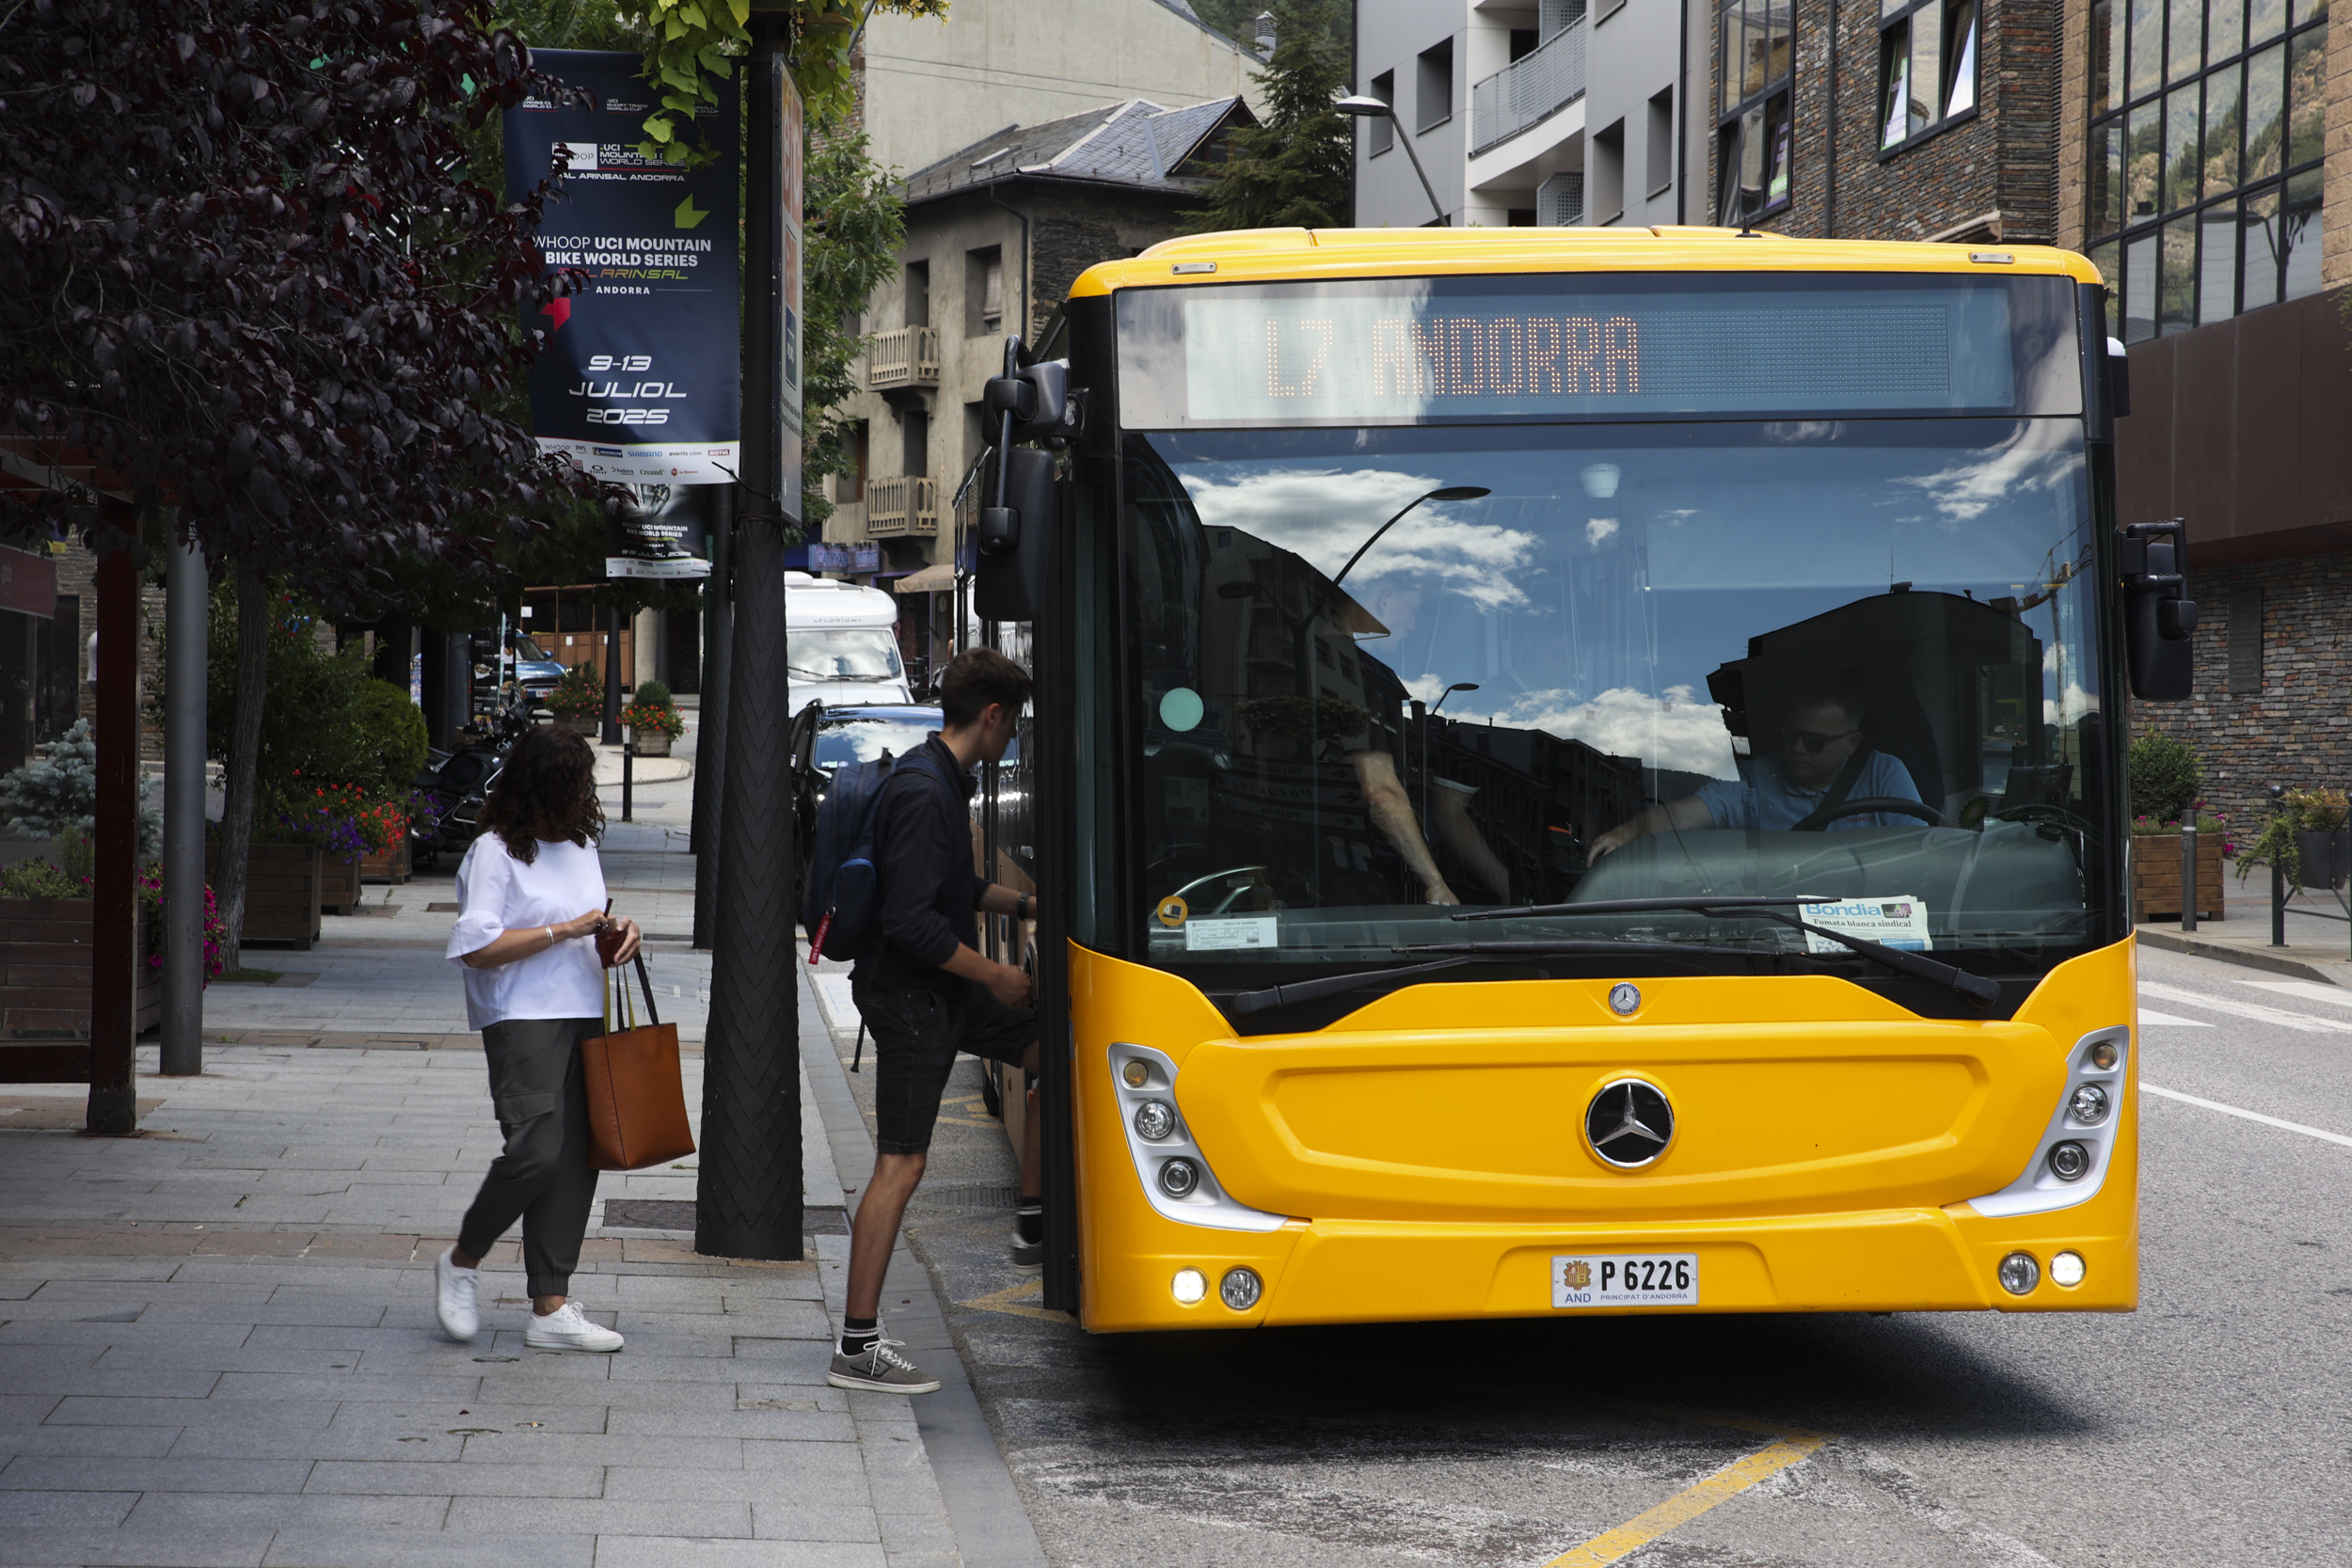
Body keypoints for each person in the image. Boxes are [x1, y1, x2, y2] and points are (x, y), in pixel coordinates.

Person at [834, 648, 1041, 1396]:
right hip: (913, 1000)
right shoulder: (926, 792)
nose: (1012, 739)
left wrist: (1027, 904)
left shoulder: (940, 777)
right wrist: (996, 974)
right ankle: (857, 1346)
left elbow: (956, 886)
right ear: (991, 715)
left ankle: (1035, 1217)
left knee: (1056, 1047)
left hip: (939, 993)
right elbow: (912, 920)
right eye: (1012, 724)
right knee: (902, 1163)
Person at [432, 725, 642, 1352]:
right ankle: (462, 1260)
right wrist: (564, 930)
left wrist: (619, 932)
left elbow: (591, 920)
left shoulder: (581, 844)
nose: (576, 802)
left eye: (581, 789)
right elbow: (476, 947)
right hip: (522, 1016)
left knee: (576, 1157)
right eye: (564, 790)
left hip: (585, 1009)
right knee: (537, 1151)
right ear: (534, 789)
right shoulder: (494, 852)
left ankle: (550, 1306)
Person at [1589, 682, 1923, 858]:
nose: (1797, 748)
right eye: (1790, 734)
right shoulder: (1753, 780)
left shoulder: (1884, 774)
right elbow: (1687, 813)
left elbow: (1916, 854)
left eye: (1814, 741)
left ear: (1851, 743)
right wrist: (1629, 833)